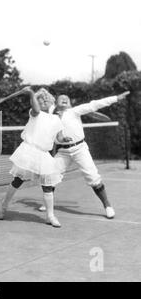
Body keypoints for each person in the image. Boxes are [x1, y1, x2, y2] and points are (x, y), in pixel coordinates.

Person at [38, 91, 130, 219]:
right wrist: (40, 94)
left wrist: (116, 98)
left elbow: (95, 104)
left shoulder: (75, 111)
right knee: (50, 177)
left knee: (93, 178)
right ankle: (48, 204)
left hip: (80, 149)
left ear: (70, 104)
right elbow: (43, 102)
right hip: (63, 152)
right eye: (61, 98)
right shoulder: (50, 113)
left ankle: (107, 205)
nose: (64, 98)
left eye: (67, 98)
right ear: (56, 103)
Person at [0, 88, 72, 227]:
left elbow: (59, 138)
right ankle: (3, 206)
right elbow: (36, 109)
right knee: (17, 181)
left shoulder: (56, 119)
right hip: (28, 152)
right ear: (34, 102)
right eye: (39, 99)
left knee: (48, 186)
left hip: (44, 155)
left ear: (50, 101)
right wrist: (31, 93)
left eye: (45, 98)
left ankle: (50, 216)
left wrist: (65, 139)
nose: (43, 100)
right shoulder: (34, 113)